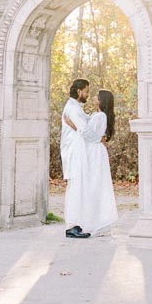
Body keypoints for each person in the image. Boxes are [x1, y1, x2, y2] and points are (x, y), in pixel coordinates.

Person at [78, 89, 119, 235]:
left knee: (95, 184)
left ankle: (95, 221)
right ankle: (90, 219)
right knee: (91, 184)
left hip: (95, 152)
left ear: (101, 100)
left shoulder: (101, 116)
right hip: (92, 150)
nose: (94, 97)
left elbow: (90, 135)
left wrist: (72, 125)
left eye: (97, 96)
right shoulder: (96, 114)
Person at [60, 78, 91, 238]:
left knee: (78, 188)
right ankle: (71, 226)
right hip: (73, 153)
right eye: (86, 91)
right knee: (75, 188)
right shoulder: (72, 107)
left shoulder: (76, 107)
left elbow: (85, 123)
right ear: (79, 91)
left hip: (77, 152)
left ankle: (76, 224)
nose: (87, 94)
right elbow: (85, 130)